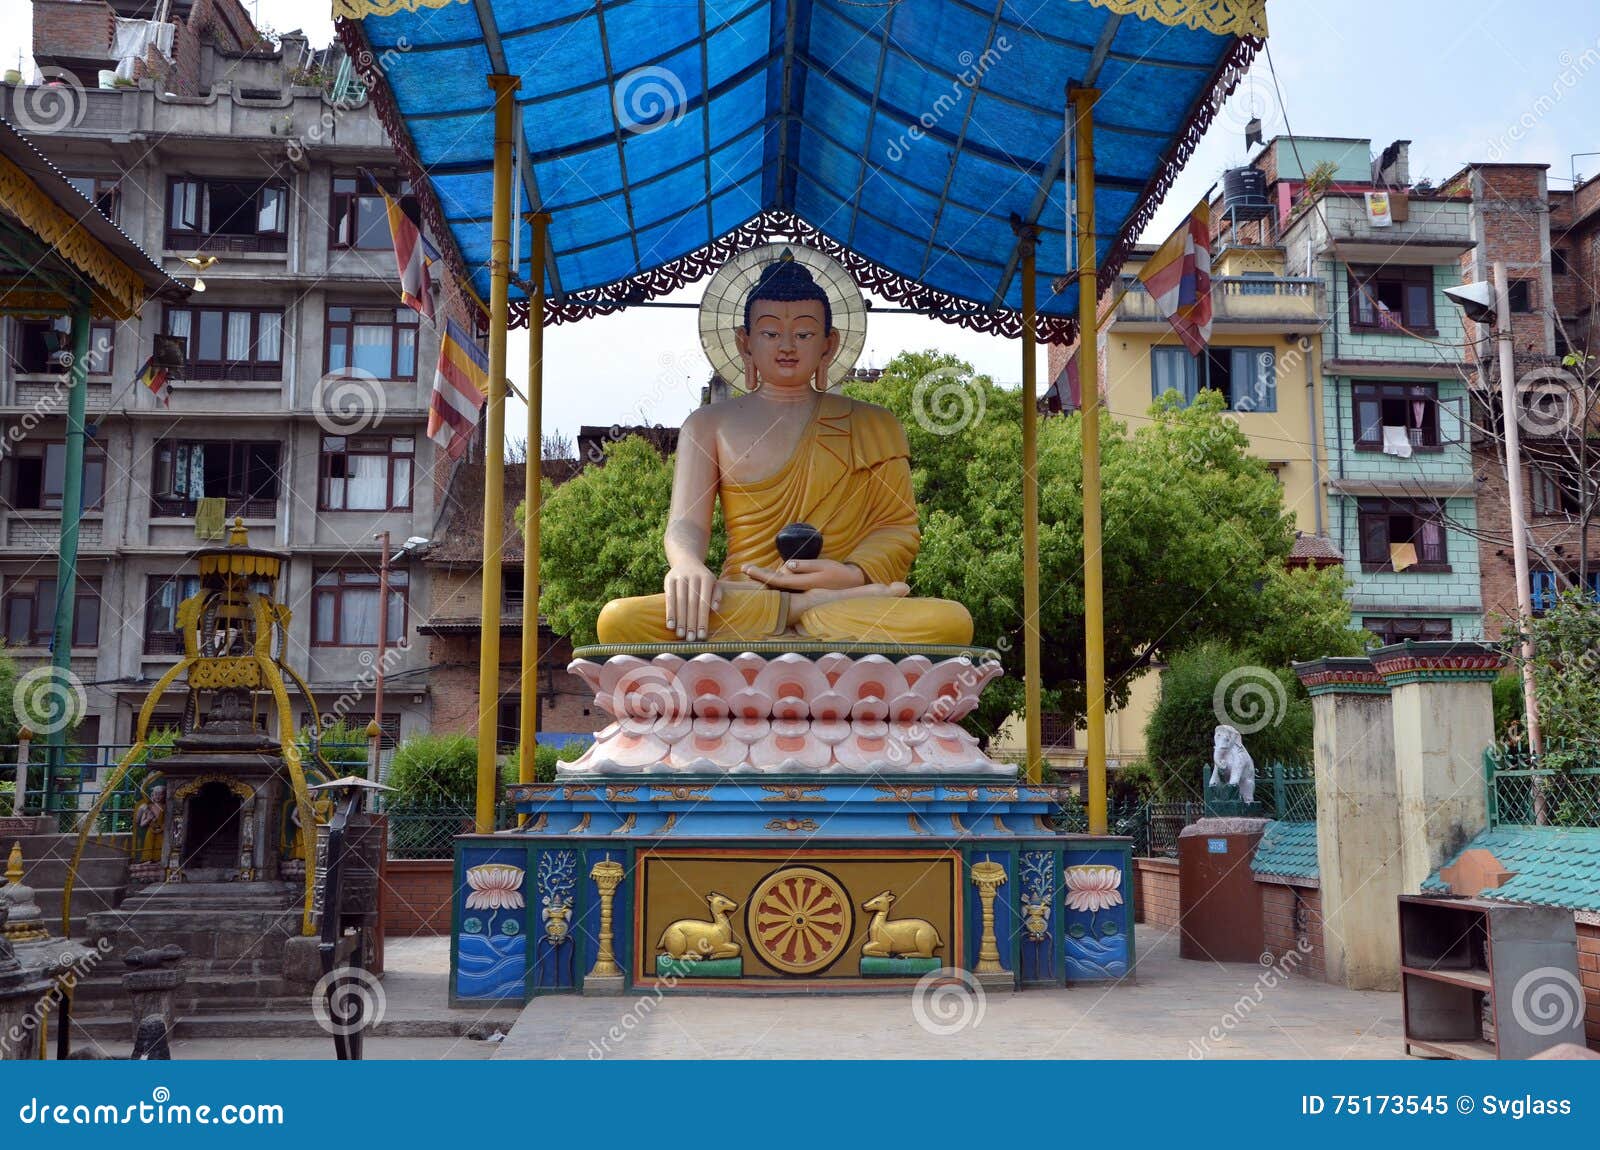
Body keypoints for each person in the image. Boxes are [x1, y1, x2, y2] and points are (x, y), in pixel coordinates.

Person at [597, 254, 971, 646]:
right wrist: (687, 564)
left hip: (845, 596)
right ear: (745, 342)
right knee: (619, 619)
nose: (787, 346)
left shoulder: (873, 424)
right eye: (771, 333)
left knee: (951, 622)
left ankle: (821, 605)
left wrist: (853, 573)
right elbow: (686, 524)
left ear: (829, 344)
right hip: (744, 593)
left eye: (805, 334)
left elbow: (897, 527)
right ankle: (805, 610)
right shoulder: (708, 424)